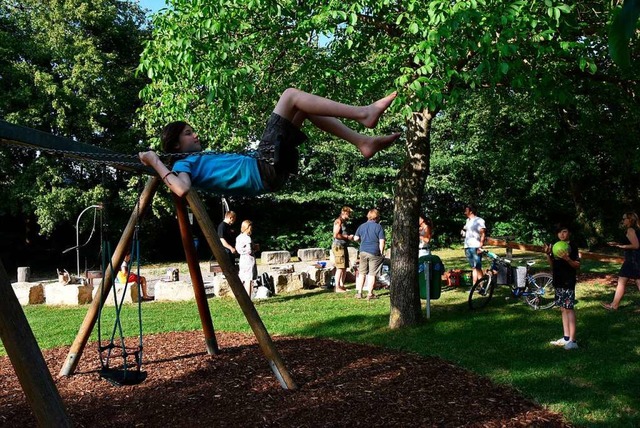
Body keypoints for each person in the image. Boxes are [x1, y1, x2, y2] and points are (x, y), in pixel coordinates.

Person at [139, 88, 401, 197]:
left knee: (302, 110)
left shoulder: (194, 159)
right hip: (262, 167)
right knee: (290, 95)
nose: (195, 135)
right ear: (174, 145)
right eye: (187, 133)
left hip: (267, 171)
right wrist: (155, 162)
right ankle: (363, 113)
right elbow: (181, 189)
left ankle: (362, 142)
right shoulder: (184, 164)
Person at [545, 224, 580, 350]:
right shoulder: (556, 246)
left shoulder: (572, 247)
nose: (562, 235)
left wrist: (567, 259)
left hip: (568, 281)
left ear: (569, 232)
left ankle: (573, 340)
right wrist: (548, 255)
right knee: (563, 308)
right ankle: (566, 338)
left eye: (564, 232)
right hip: (558, 280)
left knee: (569, 308)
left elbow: (577, 265)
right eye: (559, 232)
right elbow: (553, 265)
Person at [601, 212, 640, 310]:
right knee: (635, 281)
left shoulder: (630, 230)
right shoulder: (637, 229)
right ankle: (614, 304)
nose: (622, 221)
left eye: (624, 219)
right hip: (635, 260)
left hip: (632, 260)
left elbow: (636, 245)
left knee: (622, 281)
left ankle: (614, 305)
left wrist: (622, 246)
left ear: (630, 219)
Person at [353, 208, 386, 301]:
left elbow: (355, 238)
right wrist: (381, 252)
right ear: (377, 217)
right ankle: (370, 293)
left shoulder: (362, 226)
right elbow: (382, 241)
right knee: (372, 273)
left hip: (363, 251)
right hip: (374, 252)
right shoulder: (378, 227)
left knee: (362, 272)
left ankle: (359, 293)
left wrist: (361, 241)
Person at [462, 204, 486, 286]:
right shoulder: (467, 221)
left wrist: (480, 246)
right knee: (473, 267)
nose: (465, 212)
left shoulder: (479, 220)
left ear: (471, 211)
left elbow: (482, 233)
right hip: (467, 246)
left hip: (475, 246)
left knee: (478, 267)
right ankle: (474, 286)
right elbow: (465, 230)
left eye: (466, 210)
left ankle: (482, 286)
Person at [332, 206, 355, 293]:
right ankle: (337, 287)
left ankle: (342, 285)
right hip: (338, 246)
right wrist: (347, 237)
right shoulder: (338, 221)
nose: (350, 215)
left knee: (345, 266)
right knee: (340, 267)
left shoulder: (344, 222)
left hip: (343, 246)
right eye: (349, 213)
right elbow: (336, 235)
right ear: (345, 213)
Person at [235, 220, 258, 297]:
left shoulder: (239, 237)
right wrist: (254, 248)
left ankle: (239, 295)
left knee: (242, 277)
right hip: (249, 260)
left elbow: (238, 249)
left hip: (242, 259)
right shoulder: (247, 238)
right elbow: (249, 250)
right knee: (248, 279)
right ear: (248, 227)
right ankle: (248, 297)